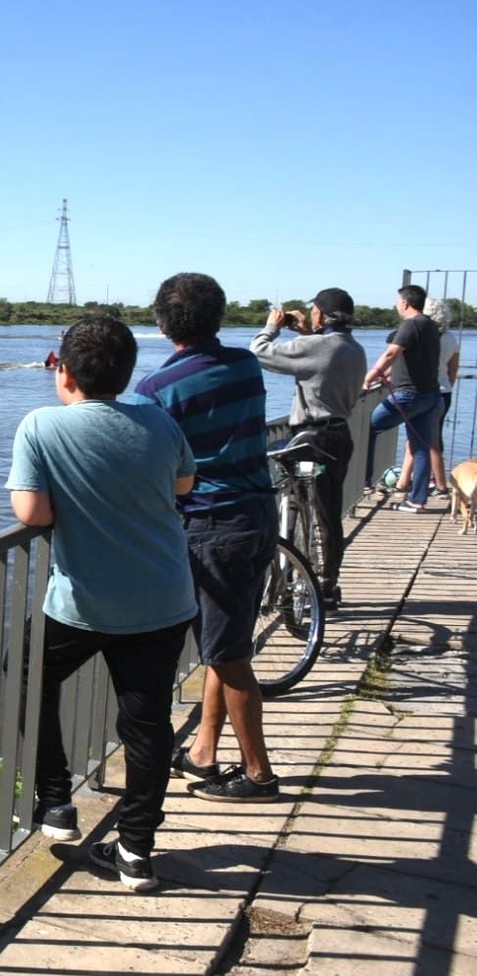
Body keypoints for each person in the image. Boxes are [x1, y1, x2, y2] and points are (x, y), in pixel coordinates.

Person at [8, 315, 196, 892]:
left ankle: (56, 801)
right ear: (128, 371)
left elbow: (31, 515)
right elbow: (183, 487)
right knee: (146, 723)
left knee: (28, 674)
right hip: (164, 598)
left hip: (83, 604)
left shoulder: (41, 426)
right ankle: (137, 851)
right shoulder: (159, 420)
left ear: (63, 370)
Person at [135, 272, 280, 804]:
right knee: (228, 642)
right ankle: (204, 751)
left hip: (211, 526)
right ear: (219, 317)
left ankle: (260, 775)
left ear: (162, 322)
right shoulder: (245, 364)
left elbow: (155, 468)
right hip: (259, 514)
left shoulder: (156, 390)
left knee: (228, 654)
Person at [248, 289, 367, 608]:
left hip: (312, 439)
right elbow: (325, 358)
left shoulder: (315, 346)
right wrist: (306, 333)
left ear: (320, 315)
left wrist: (271, 326)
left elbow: (258, 352)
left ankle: (306, 579)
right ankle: (328, 582)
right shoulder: (355, 349)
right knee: (329, 513)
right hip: (339, 435)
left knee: (308, 506)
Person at [362, 284, 443, 513]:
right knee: (420, 448)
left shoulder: (410, 325)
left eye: (398, 301)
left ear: (405, 303)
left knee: (368, 429)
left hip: (409, 395)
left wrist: (371, 375)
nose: (397, 305)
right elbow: (412, 361)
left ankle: (364, 482)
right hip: (430, 395)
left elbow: (391, 354)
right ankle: (417, 501)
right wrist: (388, 375)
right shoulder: (430, 326)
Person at [393, 296, 460, 498]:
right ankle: (405, 482)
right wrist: (446, 386)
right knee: (425, 438)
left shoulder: (420, 335)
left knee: (427, 440)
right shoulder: (451, 338)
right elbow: (453, 369)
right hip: (444, 392)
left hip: (420, 391)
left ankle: (439, 485)